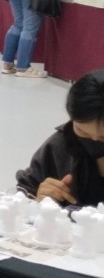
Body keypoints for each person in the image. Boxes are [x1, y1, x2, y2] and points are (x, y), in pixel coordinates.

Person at [16, 69, 104, 207]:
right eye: (82, 131)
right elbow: (26, 190)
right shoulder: (60, 144)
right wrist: (40, 198)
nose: (94, 139)